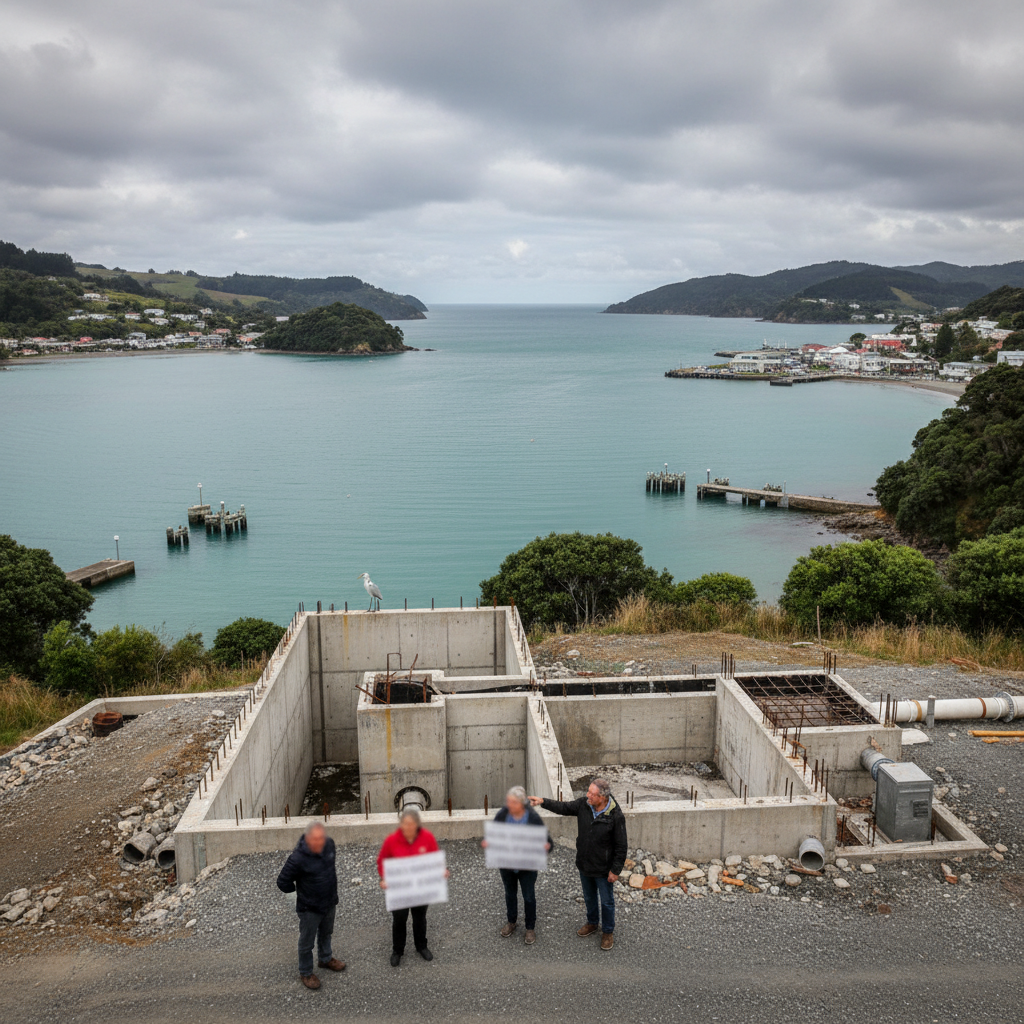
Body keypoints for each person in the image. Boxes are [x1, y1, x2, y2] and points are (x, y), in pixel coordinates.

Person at [529, 778, 626, 951]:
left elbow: (621, 846)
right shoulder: (584, 805)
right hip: (585, 863)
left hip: (604, 869)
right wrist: (543, 801)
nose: (587, 795)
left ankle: (608, 932)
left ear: (602, 797)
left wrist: (615, 870)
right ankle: (592, 923)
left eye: (591, 793)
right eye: (588, 791)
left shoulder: (615, 816)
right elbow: (564, 808)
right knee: (589, 898)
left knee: (606, 902)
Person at [276, 821, 346, 989]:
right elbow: (282, 881)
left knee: (326, 933)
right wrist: (301, 894)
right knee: (306, 942)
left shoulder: (329, 845)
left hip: (329, 902)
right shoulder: (298, 858)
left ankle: (325, 959)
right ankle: (306, 972)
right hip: (310, 909)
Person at [482, 785, 551, 945]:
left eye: (512, 802)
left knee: (528, 897)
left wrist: (546, 847)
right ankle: (511, 922)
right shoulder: (503, 814)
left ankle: (530, 928)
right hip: (507, 865)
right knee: (510, 894)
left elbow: (547, 841)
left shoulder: (532, 818)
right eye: (508, 802)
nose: (509, 805)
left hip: (527, 867)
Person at [377, 806, 446, 966]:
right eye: (405, 824)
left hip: (420, 889)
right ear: (401, 825)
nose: (408, 827)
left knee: (419, 918)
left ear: (417, 825)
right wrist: (384, 878)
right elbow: (382, 861)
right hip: (400, 889)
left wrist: (441, 872)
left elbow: (435, 859)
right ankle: (397, 950)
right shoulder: (391, 840)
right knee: (399, 920)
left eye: (411, 824)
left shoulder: (427, 838)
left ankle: (421, 946)